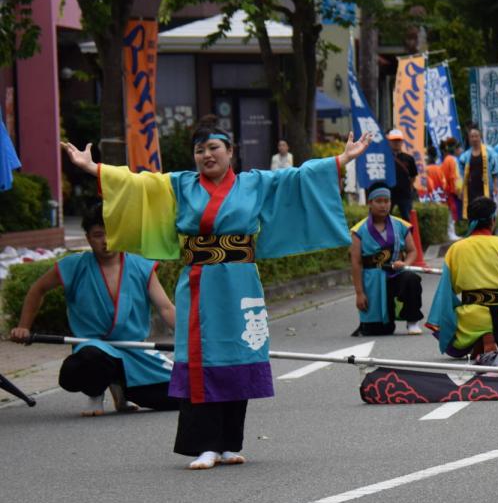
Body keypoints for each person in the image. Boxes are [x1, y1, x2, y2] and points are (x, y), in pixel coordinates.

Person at [62, 116, 369, 469]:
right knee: (201, 357)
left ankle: (228, 444)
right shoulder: (180, 185)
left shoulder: (254, 183)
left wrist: (342, 159)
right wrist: (93, 168)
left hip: (241, 284)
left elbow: (297, 178)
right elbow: (136, 184)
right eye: (199, 150)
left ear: (230, 152)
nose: (206, 156)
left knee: (238, 355)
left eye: (213, 148)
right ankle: (203, 444)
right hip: (200, 283)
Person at [8, 203, 177, 415]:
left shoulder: (142, 267)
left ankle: (122, 391)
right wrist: (23, 327)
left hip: (135, 353)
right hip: (93, 351)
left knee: (181, 397)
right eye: (98, 235)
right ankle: (95, 393)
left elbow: (166, 308)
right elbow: (37, 290)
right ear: (88, 238)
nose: (106, 241)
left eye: (112, 233)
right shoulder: (74, 266)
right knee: (88, 360)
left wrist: (191, 336)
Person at [427, 197, 498, 363]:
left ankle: (479, 341)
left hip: (470, 322)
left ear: (469, 221)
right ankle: (496, 342)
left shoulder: (456, 249)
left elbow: (445, 293)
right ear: (493, 220)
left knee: (459, 317)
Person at [350, 182, 423, 336]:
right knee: (381, 330)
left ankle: (412, 320)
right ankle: (379, 322)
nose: (383, 205)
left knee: (411, 279)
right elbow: (356, 263)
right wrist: (359, 293)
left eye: (386, 201)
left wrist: (405, 264)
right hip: (373, 279)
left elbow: (412, 251)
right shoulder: (358, 230)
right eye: (379, 201)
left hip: (395, 274)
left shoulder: (401, 225)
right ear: (370, 203)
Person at [458, 127, 498, 207]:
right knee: (473, 211)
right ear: (469, 139)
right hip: (471, 188)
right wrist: (461, 190)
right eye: (472, 136)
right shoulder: (465, 156)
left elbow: (495, 170)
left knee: (486, 211)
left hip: (486, 187)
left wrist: (495, 186)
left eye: (476, 136)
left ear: (481, 137)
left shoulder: (489, 152)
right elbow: (462, 175)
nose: (474, 139)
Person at [386, 130, 419, 221]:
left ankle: (407, 235)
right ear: (389, 142)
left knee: (407, 219)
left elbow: (413, 176)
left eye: (398, 140)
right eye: (393, 140)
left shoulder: (409, 159)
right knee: (384, 218)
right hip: (388, 193)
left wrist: (409, 187)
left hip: (404, 194)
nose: (396, 143)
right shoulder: (385, 158)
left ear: (402, 142)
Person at [440, 138, 463, 241]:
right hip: (451, 190)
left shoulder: (447, 159)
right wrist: (457, 191)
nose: (461, 150)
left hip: (448, 189)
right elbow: (454, 177)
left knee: (451, 212)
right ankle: (451, 233)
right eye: (459, 148)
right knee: (451, 212)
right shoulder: (452, 160)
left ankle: (451, 233)